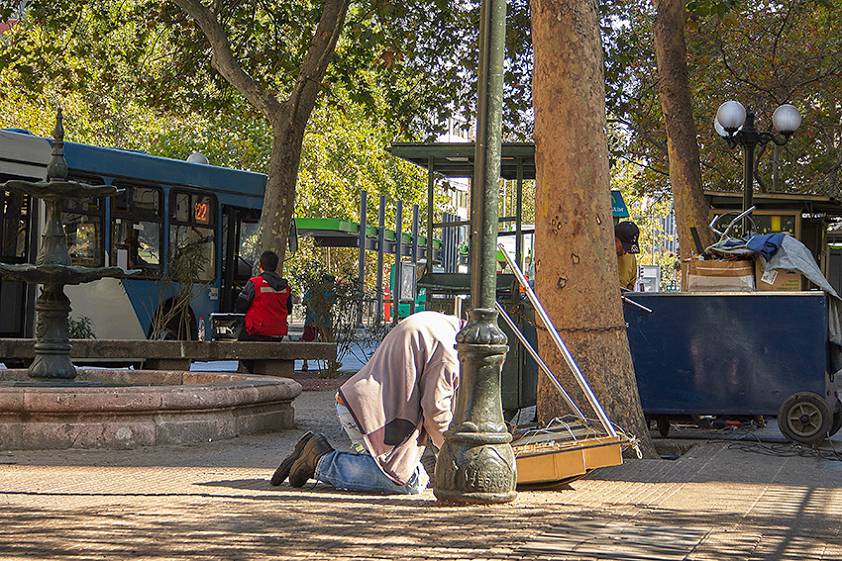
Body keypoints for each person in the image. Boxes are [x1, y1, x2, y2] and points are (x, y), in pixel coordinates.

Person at [270, 311, 463, 494]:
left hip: (358, 404)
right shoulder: (448, 354)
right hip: (368, 414)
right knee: (407, 482)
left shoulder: (440, 326)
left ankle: (311, 450)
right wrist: (456, 456)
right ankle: (319, 461)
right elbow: (436, 412)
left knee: (401, 467)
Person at [236, 250, 292, 340]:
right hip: (277, 334)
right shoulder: (285, 287)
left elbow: (240, 306)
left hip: (255, 332)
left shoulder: (254, 283)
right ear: (276, 266)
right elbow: (289, 310)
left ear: (260, 265)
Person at [300, 274, 336, 372]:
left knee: (307, 342)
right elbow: (330, 305)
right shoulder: (330, 293)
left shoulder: (313, 290)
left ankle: (305, 363)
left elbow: (304, 302)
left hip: (312, 320)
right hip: (323, 321)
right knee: (328, 341)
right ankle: (330, 363)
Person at [615, 221, 641, 291]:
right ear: (615, 239)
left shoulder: (630, 255)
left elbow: (631, 283)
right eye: (624, 246)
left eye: (628, 248)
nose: (625, 252)